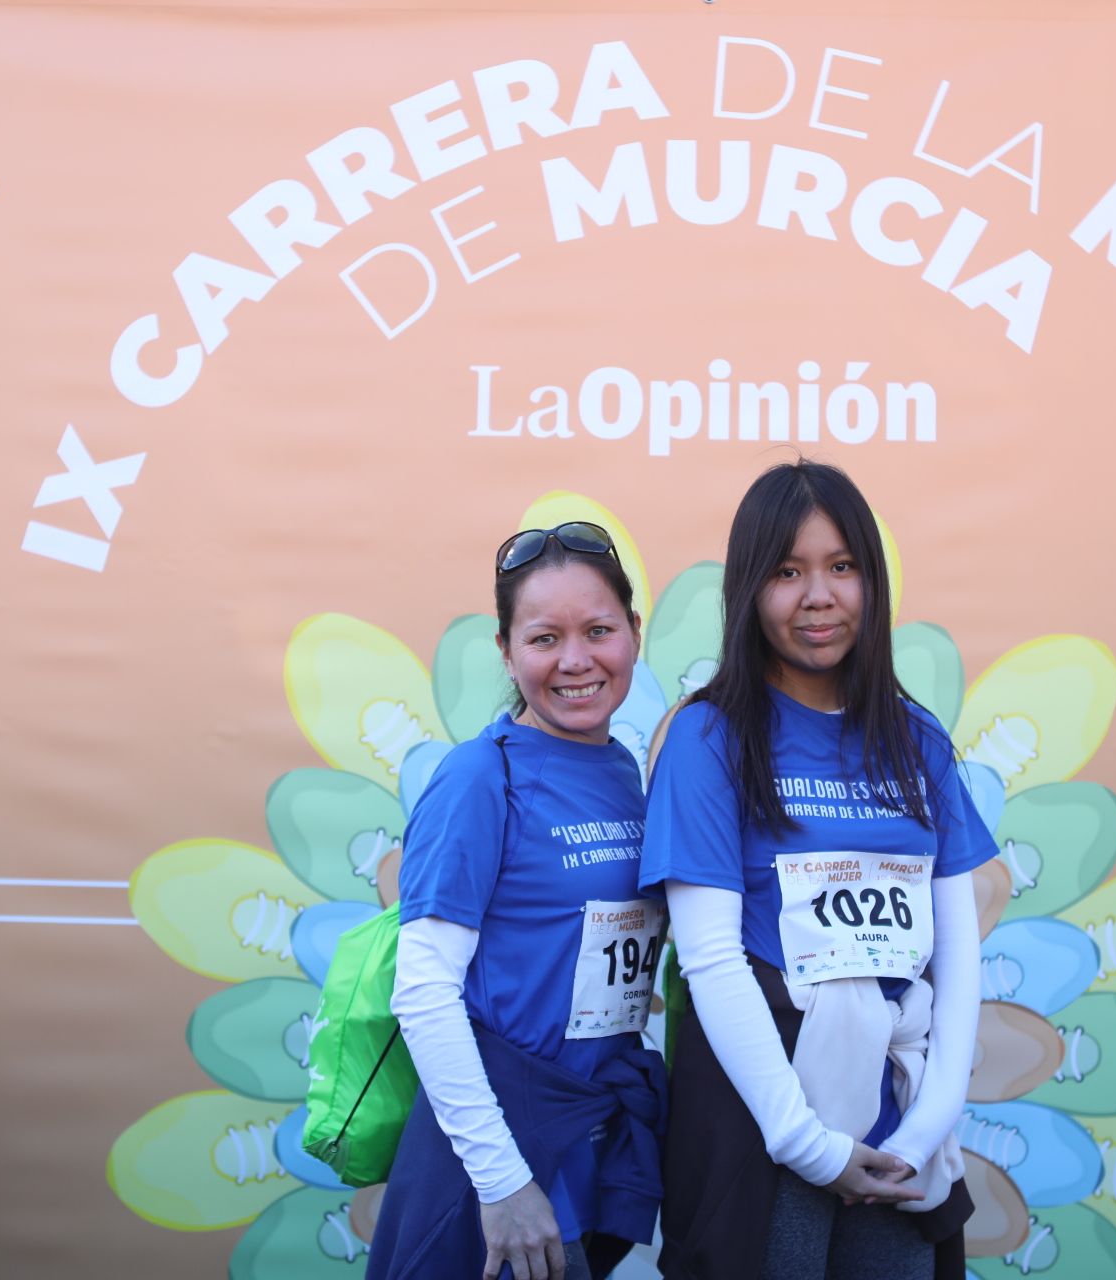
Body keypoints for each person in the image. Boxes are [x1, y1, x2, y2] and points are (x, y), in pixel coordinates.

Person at [640, 462, 996, 1280]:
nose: (818, 596)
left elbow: (958, 950)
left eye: (841, 567)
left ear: (871, 580)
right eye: (787, 571)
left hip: (894, 1109)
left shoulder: (918, 739)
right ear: (747, 589)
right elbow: (710, 959)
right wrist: (805, 1142)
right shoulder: (708, 738)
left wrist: (925, 1125)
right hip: (761, 1107)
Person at [368, 522, 668, 1280]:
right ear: (506, 651)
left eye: (599, 630)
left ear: (633, 634)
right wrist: (499, 1182)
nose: (575, 661)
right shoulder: (478, 777)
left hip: (587, 1134)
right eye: (544, 639)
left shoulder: (626, 773)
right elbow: (425, 991)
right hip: (497, 1156)